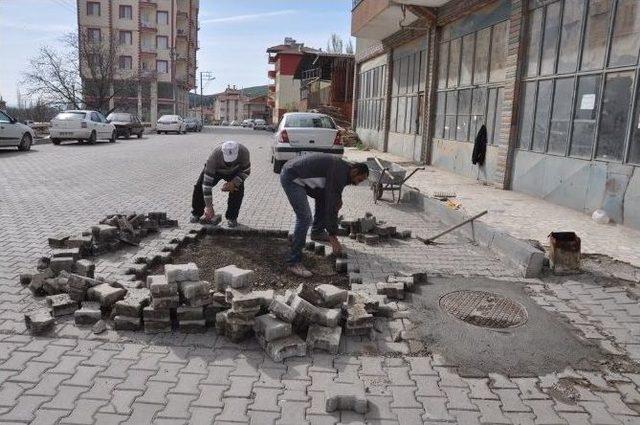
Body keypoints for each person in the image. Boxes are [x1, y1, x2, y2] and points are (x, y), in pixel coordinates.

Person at [280, 153, 369, 277]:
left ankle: (317, 232)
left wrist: (338, 199)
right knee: (305, 218)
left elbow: (332, 193)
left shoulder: (343, 169)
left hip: (297, 172)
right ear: (355, 171)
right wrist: (333, 237)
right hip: (292, 177)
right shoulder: (340, 172)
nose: (359, 183)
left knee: (325, 199)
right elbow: (332, 206)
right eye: (360, 179)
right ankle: (293, 262)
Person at [190, 140, 251, 227]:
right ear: (222, 153)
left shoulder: (244, 152)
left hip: (235, 172)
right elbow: (206, 185)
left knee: (238, 191)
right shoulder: (214, 157)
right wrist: (209, 207)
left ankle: (232, 217)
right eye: (227, 161)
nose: (229, 163)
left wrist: (234, 183)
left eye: (232, 160)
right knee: (199, 186)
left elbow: (246, 171)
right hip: (216, 171)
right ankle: (196, 213)